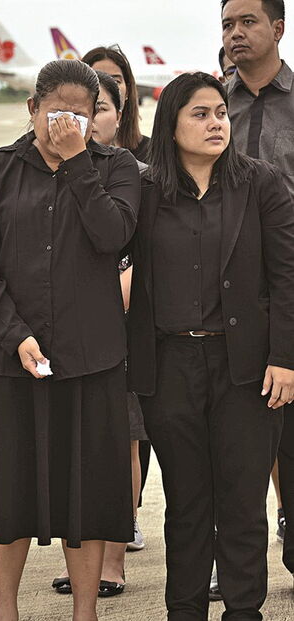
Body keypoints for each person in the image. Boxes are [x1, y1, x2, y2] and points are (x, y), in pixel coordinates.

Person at [0, 59, 139, 621]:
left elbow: (113, 234)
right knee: (9, 497)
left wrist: (79, 161)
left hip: (91, 360)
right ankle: (5, 610)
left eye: (80, 115)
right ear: (32, 109)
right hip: (10, 360)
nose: (65, 124)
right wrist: (15, 334)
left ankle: (84, 611)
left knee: (84, 499)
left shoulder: (117, 167)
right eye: (56, 112)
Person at [129, 70, 294, 620]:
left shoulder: (261, 183)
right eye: (200, 114)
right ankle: (185, 611)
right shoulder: (144, 190)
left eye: (220, 112)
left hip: (246, 368)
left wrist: (285, 358)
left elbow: (287, 276)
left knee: (244, 501)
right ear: (171, 124)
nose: (216, 122)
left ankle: (245, 612)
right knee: (187, 503)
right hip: (169, 366)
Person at [50, 71, 147, 600]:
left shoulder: (132, 169)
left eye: (98, 108)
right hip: (69, 331)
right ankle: (82, 553)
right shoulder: (47, 169)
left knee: (120, 446)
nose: (78, 120)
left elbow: (124, 242)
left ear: (117, 112)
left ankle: (113, 556)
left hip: (121, 329)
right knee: (77, 450)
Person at [223, 0, 294, 586]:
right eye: (227, 24)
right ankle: (237, 561)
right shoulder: (209, 106)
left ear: (278, 27)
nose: (236, 33)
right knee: (238, 437)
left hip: (291, 285)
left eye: (248, 21)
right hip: (227, 298)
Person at [81, 46, 150, 163]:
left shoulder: (149, 151)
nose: (107, 87)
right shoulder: (61, 151)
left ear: (128, 90)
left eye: (116, 81)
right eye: (97, 79)